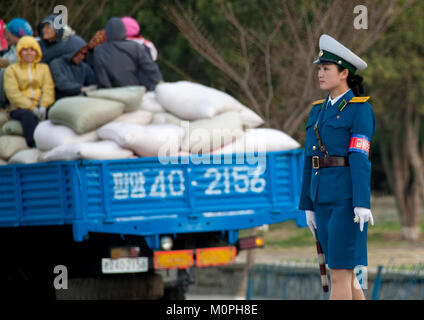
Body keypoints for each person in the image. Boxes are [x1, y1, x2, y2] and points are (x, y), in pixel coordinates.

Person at [298, 34, 376, 300]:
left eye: (326, 68)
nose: (320, 73)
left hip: (346, 202)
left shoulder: (359, 110)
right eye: (319, 68)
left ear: (344, 73)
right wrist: (307, 204)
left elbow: (359, 156)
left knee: (339, 275)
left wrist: (361, 202)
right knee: (348, 276)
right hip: (321, 199)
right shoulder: (317, 111)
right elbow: (310, 159)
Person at [3, 36, 55, 147]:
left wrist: (44, 105)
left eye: (32, 50)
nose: (29, 53)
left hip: (41, 106)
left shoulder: (44, 68)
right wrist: (32, 108)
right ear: (19, 52)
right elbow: (13, 94)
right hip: (19, 108)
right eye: (25, 50)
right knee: (28, 116)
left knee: (55, 112)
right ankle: (33, 144)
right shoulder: (11, 70)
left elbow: (48, 88)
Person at [93, 17, 163, 91]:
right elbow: (150, 69)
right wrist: (158, 82)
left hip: (113, 93)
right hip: (136, 90)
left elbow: (102, 76)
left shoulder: (99, 50)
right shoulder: (136, 46)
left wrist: (108, 91)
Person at [49, 35, 97, 100]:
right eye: (79, 53)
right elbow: (61, 84)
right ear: (71, 51)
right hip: (61, 101)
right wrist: (81, 89)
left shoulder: (84, 67)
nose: (82, 57)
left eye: (84, 54)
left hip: (80, 99)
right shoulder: (56, 64)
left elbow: (93, 82)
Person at [0, 18, 34, 108]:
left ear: (18, 36)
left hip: (16, 98)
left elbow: (6, 62)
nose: (5, 36)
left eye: (8, 33)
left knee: (4, 71)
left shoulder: (25, 50)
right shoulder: (13, 47)